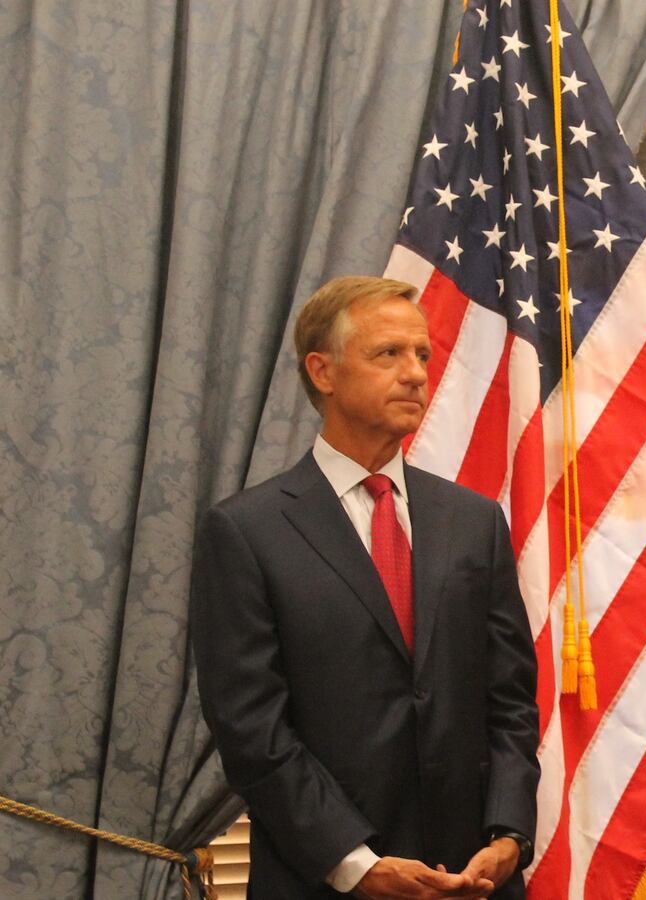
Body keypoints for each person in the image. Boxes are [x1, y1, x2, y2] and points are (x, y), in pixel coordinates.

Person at [191, 277, 540, 899]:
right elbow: (253, 732)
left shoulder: (475, 521)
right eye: (389, 354)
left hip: (476, 883)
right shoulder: (246, 531)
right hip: (322, 883)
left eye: (423, 355)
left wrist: (509, 833)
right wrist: (356, 864)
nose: (415, 374)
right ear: (322, 372)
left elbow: (510, 700)